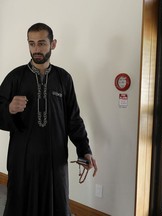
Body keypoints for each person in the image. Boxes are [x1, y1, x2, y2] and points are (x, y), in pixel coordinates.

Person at [0, 23, 97, 216]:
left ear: (53, 44)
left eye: (42, 43)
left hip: (55, 160)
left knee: (56, 205)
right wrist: (9, 108)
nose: (36, 49)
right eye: (32, 43)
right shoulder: (15, 77)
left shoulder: (64, 78)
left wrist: (84, 149)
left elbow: (73, 119)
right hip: (22, 160)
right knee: (20, 206)